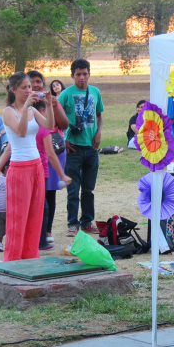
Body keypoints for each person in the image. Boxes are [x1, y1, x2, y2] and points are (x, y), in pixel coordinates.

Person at [0, 71, 55, 262]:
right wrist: (26, 107)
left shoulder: (33, 110)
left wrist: (49, 106)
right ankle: (12, 259)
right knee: (18, 218)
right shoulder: (8, 112)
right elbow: (20, 132)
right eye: (24, 87)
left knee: (35, 216)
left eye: (30, 87)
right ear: (13, 90)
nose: (29, 90)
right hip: (19, 169)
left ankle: (29, 257)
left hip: (36, 166)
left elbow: (49, 125)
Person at [59, 59, 103, 237]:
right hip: (73, 148)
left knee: (88, 188)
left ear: (89, 74)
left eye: (85, 74)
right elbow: (55, 117)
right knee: (72, 187)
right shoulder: (66, 94)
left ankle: (86, 221)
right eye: (78, 74)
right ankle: (72, 223)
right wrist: (63, 140)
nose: (82, 78)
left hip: (91, 147)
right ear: (72, 75)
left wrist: (99, 132)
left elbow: (99, 115)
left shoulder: (95, 92)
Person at [33, 100, 71, 250]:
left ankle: (40, 237)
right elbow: (50, 154)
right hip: (38, 170)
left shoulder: (35, 129)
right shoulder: (41, 130)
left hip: (38, 170)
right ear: (41, 113)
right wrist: (62, 175)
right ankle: (40, 239)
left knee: (43, 202)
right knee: (42, 205)